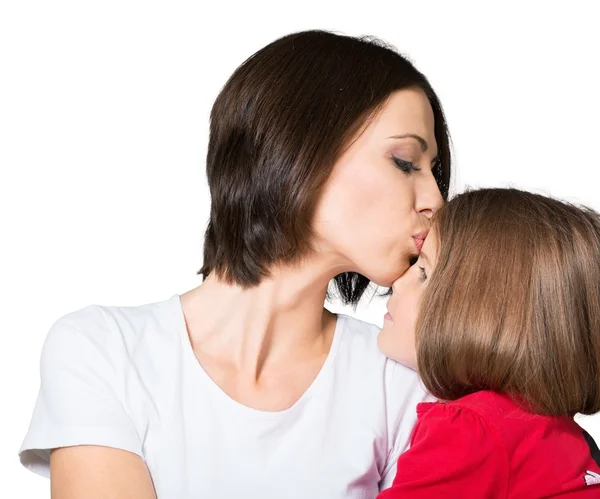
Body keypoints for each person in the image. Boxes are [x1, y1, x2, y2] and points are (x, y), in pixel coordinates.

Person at [19, 30, 451, 498]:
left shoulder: (403, 379)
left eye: (434, 173)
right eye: (405, 161)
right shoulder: (102, 351)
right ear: (298, 148)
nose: (435, 200)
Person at [377, 188, 600, 498]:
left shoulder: (470, 429)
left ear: (486, 312)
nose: (397, 282)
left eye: (424, 273)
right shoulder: (556, 433)